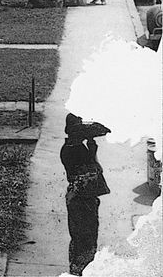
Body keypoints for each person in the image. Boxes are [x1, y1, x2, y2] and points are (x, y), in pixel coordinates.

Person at [60, 113, 111, 276]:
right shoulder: (73, 150)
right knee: (85, 239)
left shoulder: (72, 148)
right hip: (81, 198)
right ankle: (79, 270)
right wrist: (91, 152)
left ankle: (79, 269)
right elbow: (93, 172)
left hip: (80, 197)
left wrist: (91, 149)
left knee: (82, 238)